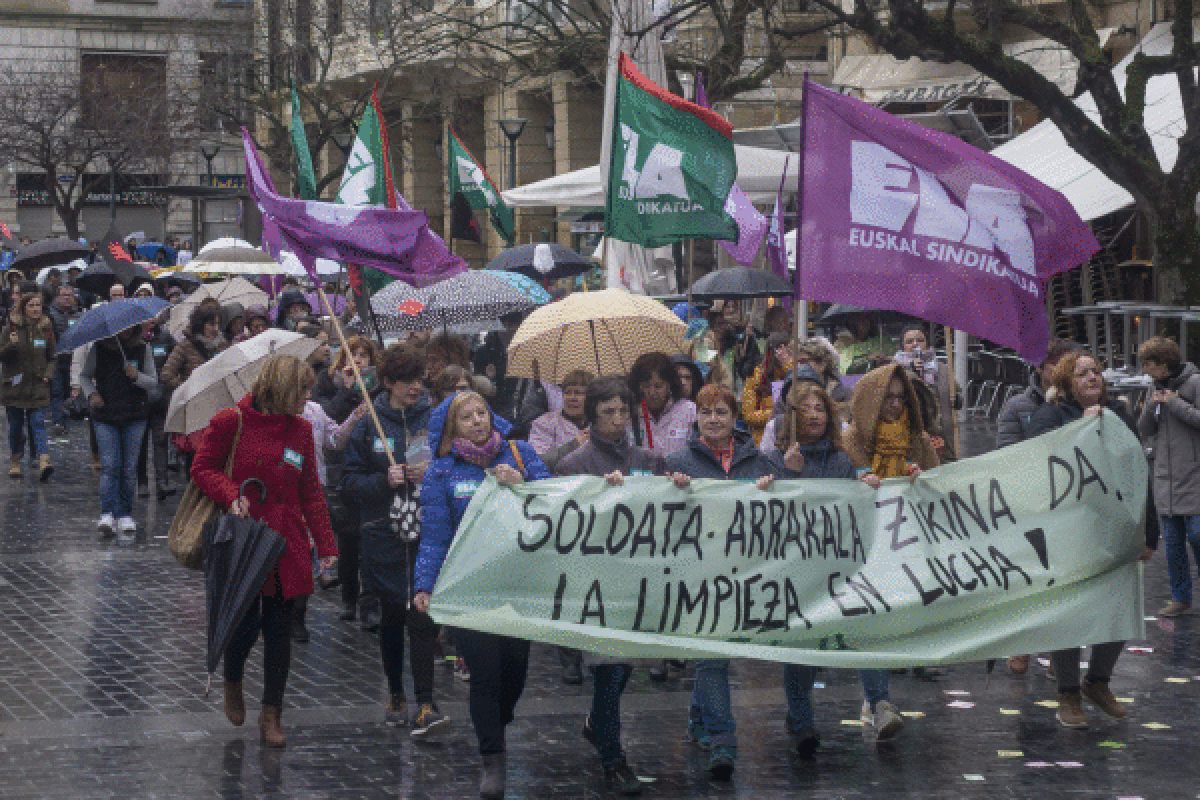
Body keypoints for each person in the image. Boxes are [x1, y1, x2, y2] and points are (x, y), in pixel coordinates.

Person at [192, 354, 337, 748]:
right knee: (243, 623)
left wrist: (326, 545)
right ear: (282, 389)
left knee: (279, 629)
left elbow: (311, 492)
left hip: (285, 543)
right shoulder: (230, 422)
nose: (307, 397)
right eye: (301, 390)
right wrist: (230, 493)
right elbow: (202, 468)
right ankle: (233, 680)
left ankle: (272, 711)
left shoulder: (302, 430)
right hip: (243, 537)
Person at [412, 391, 550, 800]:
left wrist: (522, 484)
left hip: (518, 581)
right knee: (484, 674)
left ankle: (496, 722)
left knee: (515, 670)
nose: (477, 421)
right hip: (470, 587)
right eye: (466, 417)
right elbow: (434, 537)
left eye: (482, 413)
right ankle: (493, 758)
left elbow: (555, 498)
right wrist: (425, 584)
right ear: (452, 428)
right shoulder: (441, 473)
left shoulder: (519, 453)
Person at [762, 377, 896, 755]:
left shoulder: (840, 461)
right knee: (801, 645)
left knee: (865, 627)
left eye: (820, 408)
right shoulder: (773, 459)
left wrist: (865, 486)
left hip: (839, 567)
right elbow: (769, 512)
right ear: (790, 418)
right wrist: (790, 473)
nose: (814, 415)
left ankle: (879, 701)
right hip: (795, 571)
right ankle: (801, 718)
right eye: (805, 409)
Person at [1028, 349, 1157, 728]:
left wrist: (1150, 529)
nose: (1092, 377)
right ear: (1066, 382)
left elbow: (1137, 475)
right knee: (1071, 613)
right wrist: (1079, 432)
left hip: (1114, 529)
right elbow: (1035, 461)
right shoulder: (1051, 416)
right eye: (1082, 373)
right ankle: (1068, 694)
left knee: (1119, 606)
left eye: (1096, 371)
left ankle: (1098, 681)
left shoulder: (1119, 416)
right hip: (1070, 531)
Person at [554, 376, 663, 795]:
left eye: (622, 411)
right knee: (608, 668)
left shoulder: (648, 459)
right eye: (607, 413)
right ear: (592, 417)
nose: (617, 420)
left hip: (637, 580)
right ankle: (614, 761)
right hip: (596, 583)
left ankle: (598, 725)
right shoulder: (575, 464)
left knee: (621, 672)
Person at [664, 384, 777, 780]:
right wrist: (670, 489)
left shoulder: (758, 461)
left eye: (721, 412)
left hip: (743, 574)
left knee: (713, 652)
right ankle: (723, 740)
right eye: (706, 411)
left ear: (735, 418)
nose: (713, 418)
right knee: (712, 654)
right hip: (698, 576)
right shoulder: (677, 461)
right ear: (696, 416)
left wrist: (771, 487)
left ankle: (698, 719)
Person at [342, 346, 448, 737]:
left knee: (422, 613)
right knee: (391, 616)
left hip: (426, 532)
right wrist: (383, 480)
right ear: (388, 383)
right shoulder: (369, 423)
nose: (416, 387)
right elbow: (349, 482)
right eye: (408, 380)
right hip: (383, 534)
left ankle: (426, 700)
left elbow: (453, 464)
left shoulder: (436, 419)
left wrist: (433, 471)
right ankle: (396, 691)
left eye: (420, 378)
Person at [994, 337, 1078, 676]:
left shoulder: (1082, 407)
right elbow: (1006, 452)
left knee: (1063, 582)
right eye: (1056, 365)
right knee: (1027, 578)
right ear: (1041, 369)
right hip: (1030, 503)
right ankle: (1022, 642)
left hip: (1069, 505)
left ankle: (1060, 653)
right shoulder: (1018, 406)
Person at [292, 367, 367, 643]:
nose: (307, 395)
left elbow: (334, 441)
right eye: (301, 389)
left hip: (314, 487)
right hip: (284, 491)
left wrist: (353, 419)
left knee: (306, 547)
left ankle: (299, 612)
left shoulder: (314, 411)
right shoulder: (272, 416)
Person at [314, 335, 382, 628]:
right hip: (340, 472)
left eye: (363, 355)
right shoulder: (328, 383)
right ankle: (348, 597)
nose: (358, 361)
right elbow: (328, 419)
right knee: (348, 537)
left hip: (370, 469)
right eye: (352, 354)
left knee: (369, 538)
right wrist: (347, 390)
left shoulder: (379, 386)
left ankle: (370, 601)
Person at [1137, 336, 1200, 618]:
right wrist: (1151, 405)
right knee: (1173, 542)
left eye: (1149, 364)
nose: (1146, 370)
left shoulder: (1195, 383)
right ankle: (1180, 597)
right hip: (1165, 476)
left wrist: (1174, 403)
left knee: (1198, 536)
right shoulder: (1154, 386)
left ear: (1165, 363)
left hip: (1194, 474)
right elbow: (1144, 429)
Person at [80, 324, 159, 541]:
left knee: (128, 468)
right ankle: (107, 513)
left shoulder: (143, 349)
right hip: (106, 414)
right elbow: (85, 376)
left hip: (134, 415)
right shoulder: (100, 348)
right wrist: (91, 394)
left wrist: (137, 377)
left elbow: (153, 382)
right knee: (110, 465)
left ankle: (125, 513)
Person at [0, 290, 56, 481]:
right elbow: (2, 355)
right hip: (14, 385)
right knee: (15, 426)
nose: (35, 309)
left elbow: (52, 357)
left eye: (38, 305)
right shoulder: (11, 327)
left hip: (38, 384)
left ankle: (43, 459)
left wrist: (48, 374)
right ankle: (15, 460)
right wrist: (11, 345)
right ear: (23, 308)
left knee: (37, 422)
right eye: (31, 305)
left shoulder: (46, 328)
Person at [894, 324, 960, 461]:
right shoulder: (895, 370)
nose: (915, 344)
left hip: (943, 437)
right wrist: (911, 370)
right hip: (911, 437)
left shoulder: (942, 369)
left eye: (920, 340)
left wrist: (958, 399)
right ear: (902, 345)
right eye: (909, 341)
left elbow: (956, 390)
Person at [629, 352, 696, 459]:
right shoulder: (630, 414)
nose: (652, 393)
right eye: (646, 386)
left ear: (669, 384)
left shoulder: (688, 410)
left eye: (658, 386)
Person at [138, 318, 176, 501]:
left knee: (161, 440)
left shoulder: (165, 337)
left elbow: (175, 362)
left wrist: (168, 381)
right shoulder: (134, 339)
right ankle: (142, 482)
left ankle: (162, 481)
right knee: (141, 442)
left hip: (161, 397)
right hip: (139, 398)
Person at [528, 369, 592, 475]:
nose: (571, 398)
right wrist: (573, 445)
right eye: (567, 392)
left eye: (578, 393)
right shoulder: (544, 423)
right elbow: (537, 462)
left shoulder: (601, 424)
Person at [741, 332, 792, 445]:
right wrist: (777, 414)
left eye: (789, 352)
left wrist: (789, 366)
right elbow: (748, 415)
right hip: (765, 441)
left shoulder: (795, 372)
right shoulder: (757, 375)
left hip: (791, 441)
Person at [46, 284, 79, 437]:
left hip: (73, 359)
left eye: (70, 295)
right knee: (57, 391)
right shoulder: (51, 315)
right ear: (57, 297)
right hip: (57, 359)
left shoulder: (78, 315)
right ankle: (58, 421)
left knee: (68, 391)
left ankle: (66, 417)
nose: (67, 298)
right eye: (64, 295)